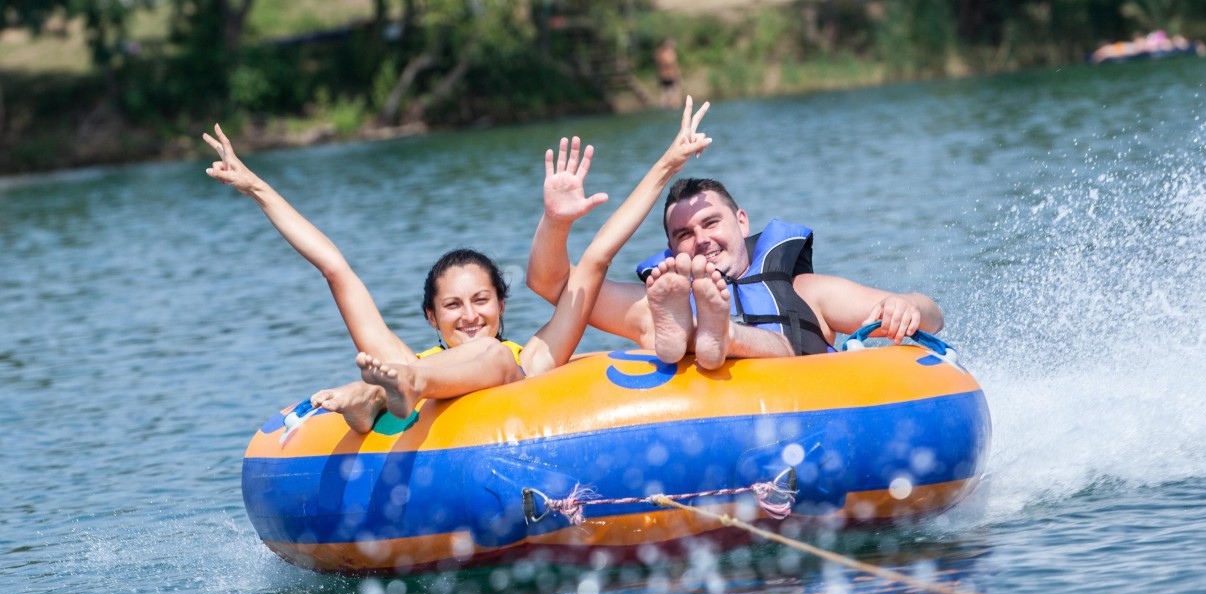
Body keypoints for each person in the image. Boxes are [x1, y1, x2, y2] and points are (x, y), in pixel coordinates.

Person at [202, 98, 712, 432]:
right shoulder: (402, 359)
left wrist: (667, 164)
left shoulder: (533, 358)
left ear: (501, 304)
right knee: (414, 370)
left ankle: (377, 399)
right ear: (432, 317)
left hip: (412, 382)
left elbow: (597, 257)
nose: (469, 315)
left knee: (490, 357)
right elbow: (334, 267)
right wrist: (257, 187)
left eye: (480, 300)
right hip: (405, 379)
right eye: (452, 305)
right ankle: (371, 400)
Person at [525, 173, 943, 370]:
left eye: (710, 223)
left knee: (767, 342)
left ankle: (719, 334)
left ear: (742, 222)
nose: (700, 239)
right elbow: (556, 286)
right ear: (671, 249)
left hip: (808, 406)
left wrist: (905, 306)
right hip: (714, 426)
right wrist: (556, 221)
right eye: (684, 234)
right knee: (665, 319)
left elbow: (932, 315)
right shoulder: (659, 298)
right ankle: (697, 334)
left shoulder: (806, 291)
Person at [654, 37, 682, 108]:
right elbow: (672, 64)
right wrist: (677, 74)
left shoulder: (658, 53)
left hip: (663, 76)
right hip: (670, 75)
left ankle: (664, 108)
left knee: (665, 93)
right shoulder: (669, 53)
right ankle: (674, 108)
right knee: (675, 92)